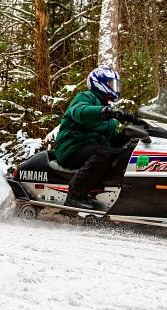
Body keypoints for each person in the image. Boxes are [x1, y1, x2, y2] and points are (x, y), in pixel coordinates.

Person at [54, 65, 135, 210]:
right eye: (111, 84)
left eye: (115, 84)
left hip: (91, 149)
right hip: (72, 147)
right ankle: (75, 196)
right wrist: (106, 112)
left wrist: (128, 133)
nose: (114, 87)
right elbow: (81, 112)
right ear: (99, 83)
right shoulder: (85, 97)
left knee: (129, 154)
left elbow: (110, 143)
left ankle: (125, 197)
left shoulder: (108, 113)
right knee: (103, 153)